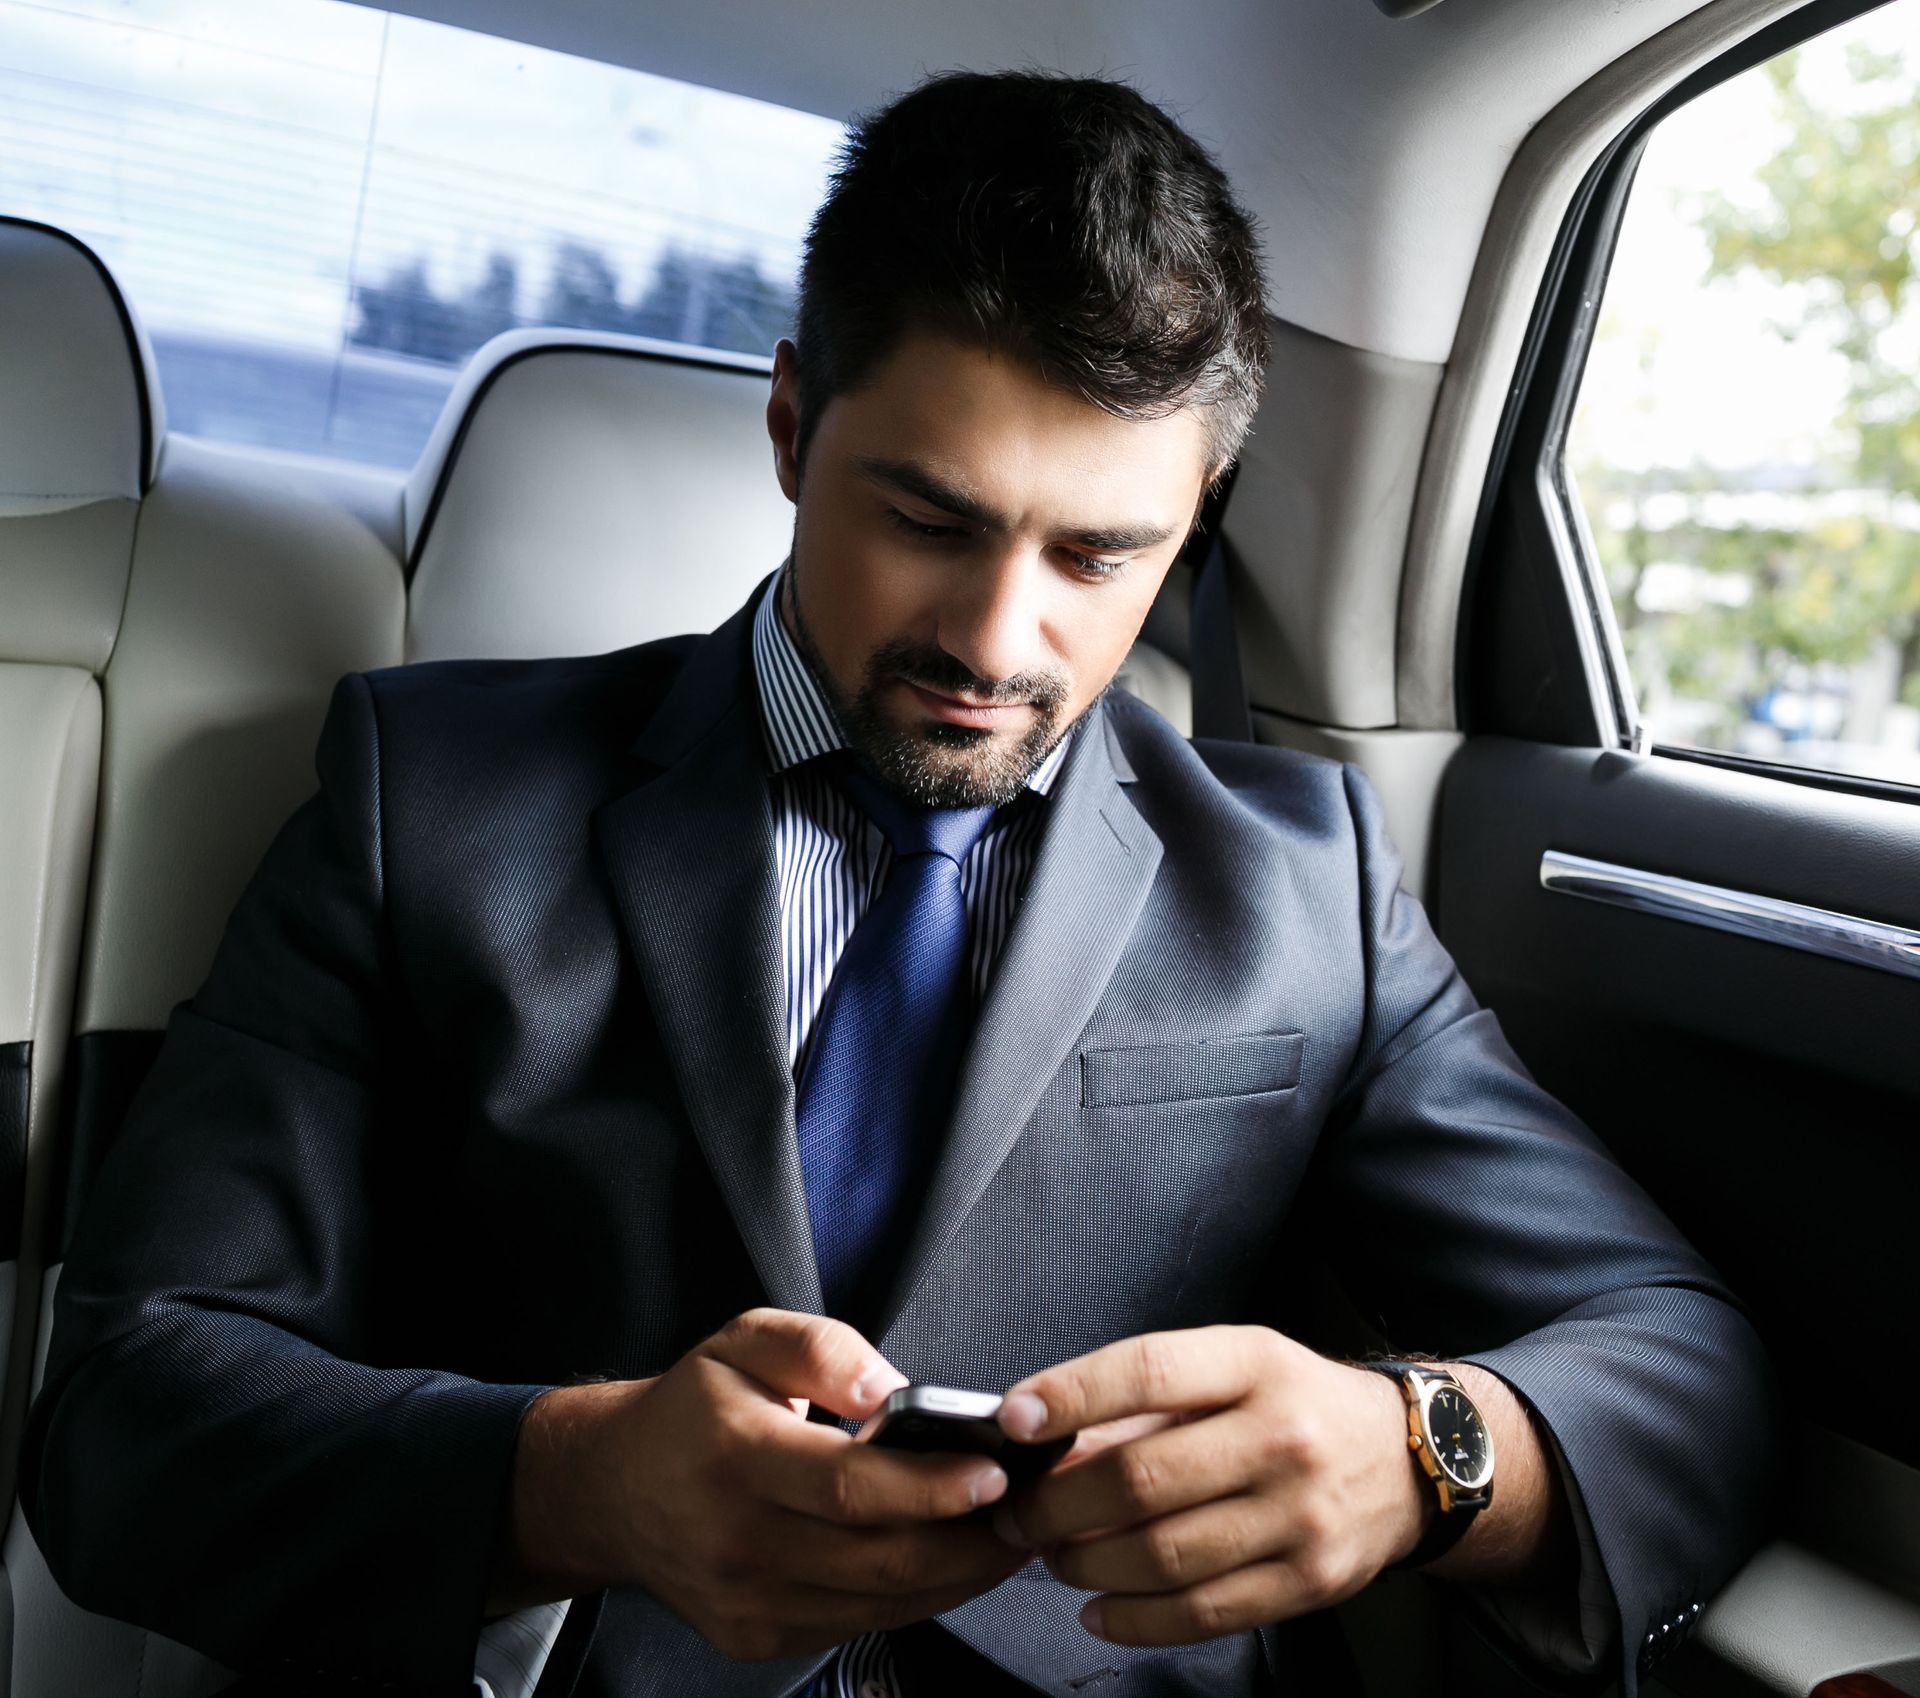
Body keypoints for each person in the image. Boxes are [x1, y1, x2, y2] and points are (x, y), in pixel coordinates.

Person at [20, 69, 1775, 1698]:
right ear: (791, 424)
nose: (1001, 641)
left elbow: (1686, 1362)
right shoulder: (432, 801)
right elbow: (123, 1419)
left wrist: (1430, 1447)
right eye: (930, 520)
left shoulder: (1307, 885)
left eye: (1101, 554)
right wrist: (570, 1485)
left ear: (1199, 515)